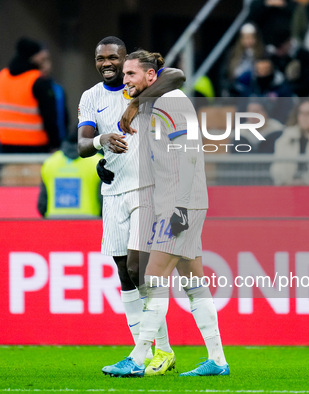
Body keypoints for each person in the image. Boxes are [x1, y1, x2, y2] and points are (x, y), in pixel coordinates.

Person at [102, 50, 228, 377]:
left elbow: (187, 156)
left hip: (180, 204)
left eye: (131, 74)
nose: (125, 80)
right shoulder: (155, 103)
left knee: (152, 276)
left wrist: (181, 209)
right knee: (193, 283)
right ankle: (217, 359)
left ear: (150, 77)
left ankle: (139, 356)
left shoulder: (170, 102)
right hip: (180, 201)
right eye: (124, 74)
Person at [77, 37, 186, 376]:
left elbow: (177, 75)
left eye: (113, 58)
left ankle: (141, 355)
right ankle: (161, 351)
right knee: (125, 274)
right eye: (101, 58)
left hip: (145, 189)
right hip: (112, 193)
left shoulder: (138, 85)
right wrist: (100, 142)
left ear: (126, 60)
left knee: (142, 270)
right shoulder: (90, 97)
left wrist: (137, 103)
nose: (107, 63)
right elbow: (82, 144)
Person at [0, 37, 60, 153]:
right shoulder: (38, 80)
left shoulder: (1, 77)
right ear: (34, 57)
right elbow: (50, 117)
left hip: (6, 145)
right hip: (35, 146)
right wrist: (55, 144)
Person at [37, 130, 101, 218]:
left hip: (54, 222)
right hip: (89, 222)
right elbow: (104, 200)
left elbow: (42, 204)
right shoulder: (98, 162)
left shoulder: (49, 162)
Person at [220, 22, 265, 96]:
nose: (249, 41)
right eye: (246, 38)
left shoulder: (262, 53)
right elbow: (224, 76)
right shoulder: (232, 53)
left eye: (251, 37)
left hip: (255, 90)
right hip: (236, 90)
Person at [38, 45, 69, 142]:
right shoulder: (30, 87)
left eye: (46, 61)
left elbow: (64, 117)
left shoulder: (58, 89)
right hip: (37, 141)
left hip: (58, 142)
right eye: (41, 62)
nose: (44, 66)